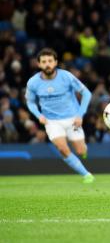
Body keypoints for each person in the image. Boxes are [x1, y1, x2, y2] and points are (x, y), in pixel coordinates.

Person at [25, 48, 95, 183]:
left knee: (80, 151)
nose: (47, 64)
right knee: (62, 148)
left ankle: (84, 151)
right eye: (44, 62)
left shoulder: (66, 76)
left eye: (50, 61)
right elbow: (30, 102)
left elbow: (86, 93)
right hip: (51, 121)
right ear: (39, 64)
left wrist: (80, 115)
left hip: (72, 119)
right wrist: (38, 115)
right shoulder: (33, 82)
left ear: (56, 62)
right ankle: (86, 175)